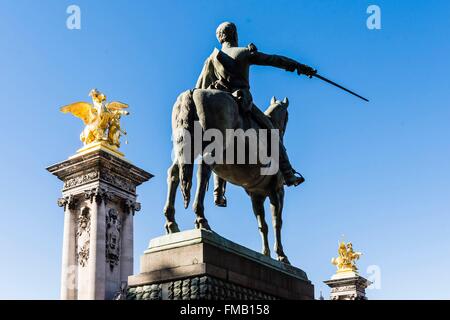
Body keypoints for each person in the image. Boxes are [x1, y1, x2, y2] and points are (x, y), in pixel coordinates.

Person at [196, 22, 317, 207]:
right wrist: (299, 67)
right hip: (242, 102)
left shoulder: (211, 58)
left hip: (220, 103)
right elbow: (274, 60)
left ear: (219, 37)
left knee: (215, 141)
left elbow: (200, 89)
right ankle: (288, 173)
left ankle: (218, 192)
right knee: (270, 129)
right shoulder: (243, 52)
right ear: (234, 35)